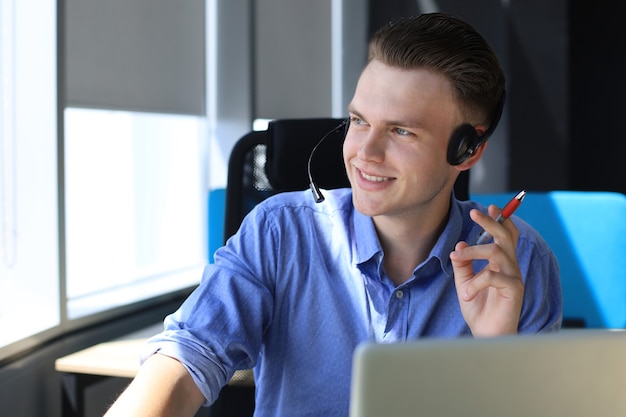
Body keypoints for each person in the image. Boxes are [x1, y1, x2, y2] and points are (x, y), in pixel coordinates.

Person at [104, 12, 561, 417]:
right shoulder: (280, 232)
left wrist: (500, 352)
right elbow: (187, 356)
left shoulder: (517, 262)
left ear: (468, 150)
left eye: (401, 131)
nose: (364, 152)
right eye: (359, 121)